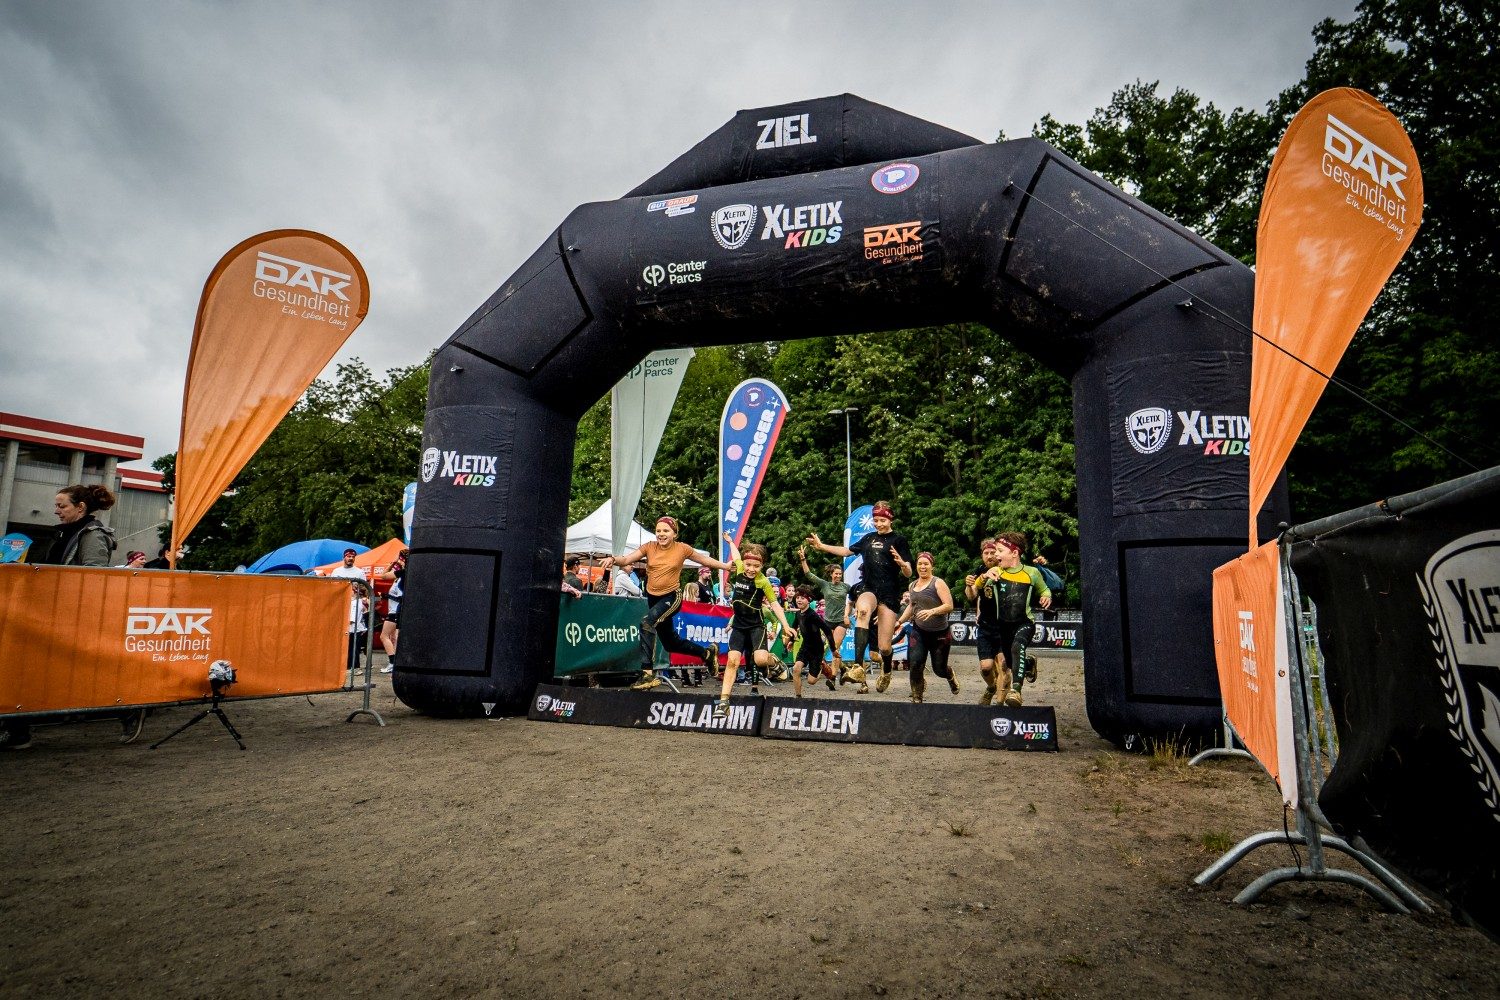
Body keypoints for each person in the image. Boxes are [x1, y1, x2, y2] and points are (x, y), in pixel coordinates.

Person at [602, 516, 733, 692]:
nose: (661, 534)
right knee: (671, 643)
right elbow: (626, 560)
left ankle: (647, 673)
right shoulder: (649, 547)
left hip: (672, 597)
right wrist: (613, 559)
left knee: (646, 622)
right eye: (658, 531)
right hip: (653, 598)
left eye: (666, 531)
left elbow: (704, 560)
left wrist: (725, 566)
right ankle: (707, 653)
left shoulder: (682, 549)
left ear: (674, 534)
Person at [806, 502, 913, 695]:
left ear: (890, 519)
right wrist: (821, 547)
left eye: (882, 520)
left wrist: (903, 565)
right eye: (876, 520)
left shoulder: (899, 540)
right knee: (862, 611)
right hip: (869, 588)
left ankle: (886, 670)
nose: (878, 524)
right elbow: (846, 551)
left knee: (884, 647)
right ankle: (857, 666)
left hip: (889, 593)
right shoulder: (868, 538)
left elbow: (909, 573)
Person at [714, 531, 796, 717]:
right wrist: (730, 541)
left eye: (756, 566)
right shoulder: (739, 568)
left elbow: (775, 604)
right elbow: (736, 554)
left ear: (762, 565)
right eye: (748, 565)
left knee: (760, 660)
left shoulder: (763, 582)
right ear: (744, 563)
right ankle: (724, 702)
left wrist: (785, 626)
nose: (751, 569)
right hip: (739, 626)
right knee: (732, 661)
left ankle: (775, 662)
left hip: (756, 626)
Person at [965, 532, 1051, 707]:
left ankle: (1011, 695)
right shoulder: (991, 572)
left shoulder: (1029, 572)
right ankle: (1025, 664)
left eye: (997, 551)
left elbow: (1045, 587)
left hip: (1020, 623)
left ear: (1014, 553)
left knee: (1011, 655)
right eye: (989, 552)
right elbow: (976, 593)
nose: (994, 555)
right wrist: (981, 580)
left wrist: (1046, 595)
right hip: (995, 625)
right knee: (999, 665)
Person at [892, 553, 956, 703]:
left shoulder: (938, 583)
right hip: (919, 631)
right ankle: (917, 699)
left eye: (926, 564)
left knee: (939, 670)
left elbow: (949, 605)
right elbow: (911, 606)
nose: (923, 567)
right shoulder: (912, 585)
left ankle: (950, 675)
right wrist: (899, 621)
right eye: (920, 564)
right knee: (915, 665)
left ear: (932, 566)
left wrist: (932, 611)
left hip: (940, 633)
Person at [798, 546, 852, 681]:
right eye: (836, 574)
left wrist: (848, 615)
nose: (838, 576)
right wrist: (803, 559)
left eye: (840, 574)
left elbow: (853, 601)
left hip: (841, 621)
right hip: (827, 621)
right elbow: (808, 574)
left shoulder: (846, 587)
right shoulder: (825, 585)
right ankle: (842, 668)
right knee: (821, 648)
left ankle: (832, 677)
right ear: (831, 574)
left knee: (835, 648)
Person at [47, 484, 117, 566]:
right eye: (56, 506)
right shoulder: (65, 534)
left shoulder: (93, 535)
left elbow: (94, 572)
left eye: (62, 506)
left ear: (80, 507)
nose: (56, 511)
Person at [789, 585, 839, 697]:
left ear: (809, 600)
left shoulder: (813, 615)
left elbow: (827, 630)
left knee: (811, 681)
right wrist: (791, 640)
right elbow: (794, 626)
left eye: (802, 598)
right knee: (796, 669)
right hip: (805, 647)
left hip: (817, 650)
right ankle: (798, 697)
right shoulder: (798, 613)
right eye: (798, 597)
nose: (799, 600)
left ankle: (821, 665)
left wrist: (833, 649)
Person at [378, 550, 406, 673]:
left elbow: (383, 576)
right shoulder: (399, 577)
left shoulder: (403, 574)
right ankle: (394, 663)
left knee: (384, 636)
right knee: (393, 637)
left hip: (396, 610)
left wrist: (393, 563)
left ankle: (392, 662)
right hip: (394, 610)